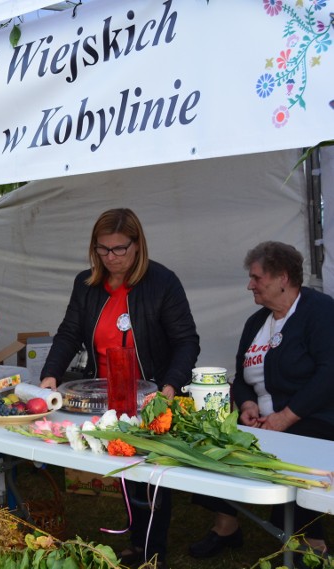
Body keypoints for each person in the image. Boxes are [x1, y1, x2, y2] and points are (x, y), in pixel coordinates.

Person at [39, 208, 200, 567]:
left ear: (137, 244)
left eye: (119, 249)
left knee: (151, 474)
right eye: (103, 249)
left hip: (152, 396)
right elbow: (69, 333)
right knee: (127, 471)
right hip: (105, 397)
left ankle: (152, 550)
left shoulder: (162, 282)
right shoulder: (87, 285)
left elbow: (187, 341)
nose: (111, 258)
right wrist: (51, 373)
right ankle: (138, 542)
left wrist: (169, 388)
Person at [188, 241, 333, 560]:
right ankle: (225, 526)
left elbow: (329, 373)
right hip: (262, 420)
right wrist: (248, 405)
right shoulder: (257, 322)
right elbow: (241, 377)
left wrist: (286, 417)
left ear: (282, 277)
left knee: (298, 447)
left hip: (313, 417)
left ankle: (311, 542)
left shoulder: (320, 311)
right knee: (215, 440)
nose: (249, 285)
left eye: (256, 278)